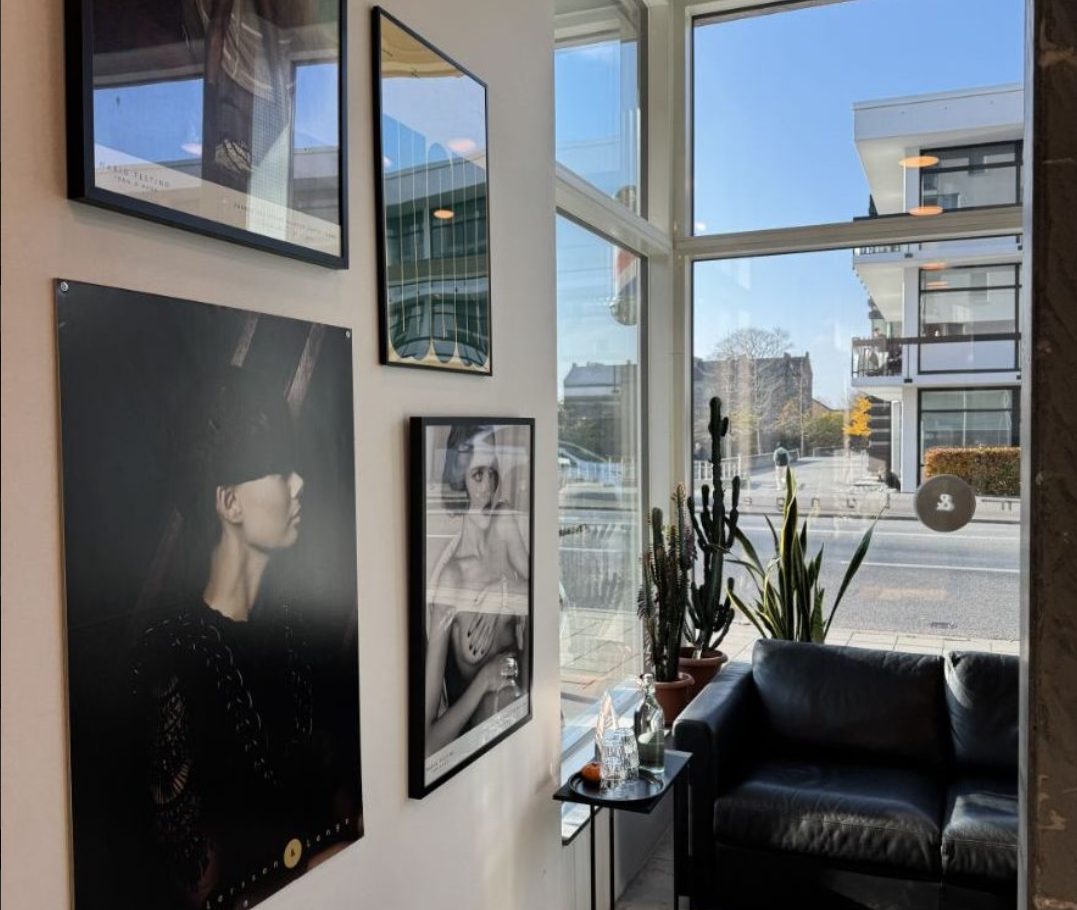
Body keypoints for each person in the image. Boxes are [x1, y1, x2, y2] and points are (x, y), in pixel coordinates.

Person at [131, 367, 357, 910]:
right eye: (278, 470)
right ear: (230, 504)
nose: (298, 483)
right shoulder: (171, 659)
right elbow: (197, 886)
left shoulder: (296, 622)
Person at [424, 425, 529, 758]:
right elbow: (427, 744)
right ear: (459, 481)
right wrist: (484, 678)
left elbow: (549, 598)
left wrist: (503, 595)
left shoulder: (504, 523)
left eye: (492, 472)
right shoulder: (452, 580)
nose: (487, 487)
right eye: (477, 475)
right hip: (486, 737)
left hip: (527, 709)